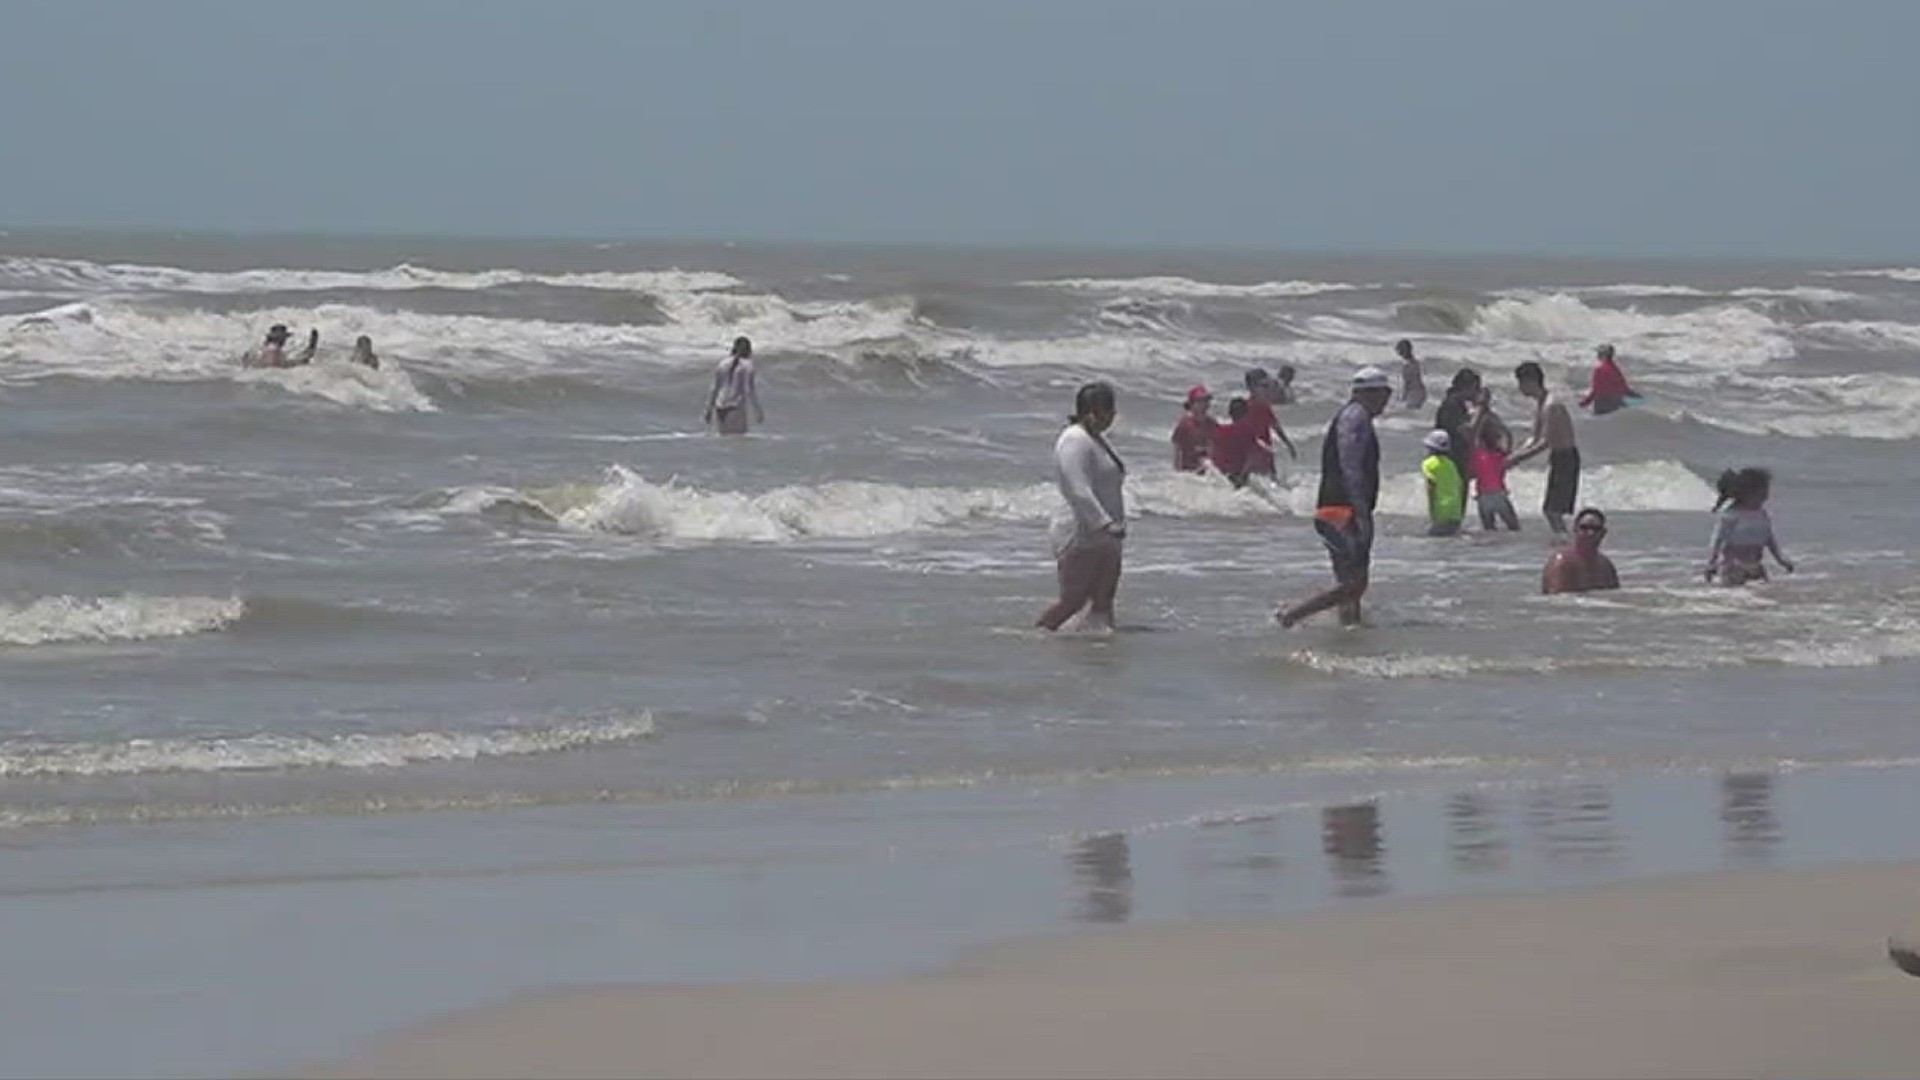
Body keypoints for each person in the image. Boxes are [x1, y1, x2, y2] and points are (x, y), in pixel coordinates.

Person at [1279, 367, 1392, 628]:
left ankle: (1350, 628)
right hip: (1341, 509)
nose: (1387, 401)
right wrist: (1360, 510)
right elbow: (1349, 463)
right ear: (1372, 393)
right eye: (1385, 394)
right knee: (1353, 583)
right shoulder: (1356, 417)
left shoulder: (1354, 416)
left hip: (1339, 507)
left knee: (1352, 580)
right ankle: (1291, 615)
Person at [1037, 382, 1127, 632]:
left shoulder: (1095, 439)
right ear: (1091, 412)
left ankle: (1100, 645)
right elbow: (1079, 489)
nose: (1112, 417)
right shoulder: (1074, 440)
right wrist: (1104, 523)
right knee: (1073, 600)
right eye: (1108, 411)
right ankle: (1038, 637)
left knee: (1103, 599)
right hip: (1080, 531)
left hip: (1107, 533)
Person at [1508, 361, 1579, 537]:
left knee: (1552, 511)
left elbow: (1545, 442)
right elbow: (1534, 438)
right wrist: (1514, 454)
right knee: (1552, 511)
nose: (1519, 388)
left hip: (1566, 458)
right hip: (1557, 458)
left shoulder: (1551, 405)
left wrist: (1517, 459)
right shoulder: (1541, 403)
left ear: (1530, 381)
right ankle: (1565, 540)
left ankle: (1567, 542)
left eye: (1520, 383)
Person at [1705, 467, 1794, 585]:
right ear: (1745, 493)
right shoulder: (1731, 515)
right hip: (1733, 566)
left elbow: (1769, 538)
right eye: (1762, 493)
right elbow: (1718, 540)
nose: (1766, 497)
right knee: (1734, 597)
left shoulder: (1762, 514)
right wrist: (1712, 563)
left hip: (1755, 565)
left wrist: (1781, 559)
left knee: (1761, 596)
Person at [1432, 368, 1479, 511]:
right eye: (1475, 388)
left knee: (1452, 504)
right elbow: (1468, 432)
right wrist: (1481, 408)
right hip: (1452, 460)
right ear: (1467, 387)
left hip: (1450, 459)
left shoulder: (1455, 404)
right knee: (1454, 505)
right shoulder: (1452, 405)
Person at [1542, 508, 1620, 594]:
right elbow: (1558, 602)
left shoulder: (1606, 565)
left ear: (1603, 533)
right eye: (1584, 528)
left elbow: (1615, 596)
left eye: (1595, 529)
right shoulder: (1562, 563)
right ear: (1575, 529)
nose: (1590, 532)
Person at [1468, 409, 1521, 531]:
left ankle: (1492, 550)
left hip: (1483, 497)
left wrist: (1480, 415)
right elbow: (1508, 436)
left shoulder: (1477, 454)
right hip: (1499, 495)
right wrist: (1500, 425)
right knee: (1514, 527)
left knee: (1489, 530)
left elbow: (1473, 436)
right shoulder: (1502, 456)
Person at [1242, 367, 1299, 478]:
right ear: (1251, 388)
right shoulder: (1245, 408)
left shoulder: (1265, 407)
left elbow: (1275, 426)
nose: (1268, 390)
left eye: (1268, 386)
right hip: (1250, 454)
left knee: (1272, 480)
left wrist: (1289, 444)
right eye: (1264, 386)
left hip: (1266, 453)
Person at [704, 336, 764, 435]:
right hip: (735, 407)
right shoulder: (748, 365)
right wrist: (757, 411)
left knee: (724, 440)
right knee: (738, 441)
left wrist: (708, 410)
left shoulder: (723, 363)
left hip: (720, 407)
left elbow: (715, 388)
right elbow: (749, 390)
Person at [1421, 430, 1465, 537]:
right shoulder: (1451, 464)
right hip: (1455, 513)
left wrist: (1432, 513)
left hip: (1441, 513)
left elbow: (1430, 487)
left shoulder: (1428, 464)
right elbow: (1460, 486)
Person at [1210, 397, 1256, 488]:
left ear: (1230, 413)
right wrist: (1243, 477)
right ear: (1246, 414)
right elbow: (1251, 458)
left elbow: (1214, 454)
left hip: (1221, 476)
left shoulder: (1220, 431)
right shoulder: (1248, 432)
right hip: (1239, 475)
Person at [1580, 344, 1638, 416]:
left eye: (1599, 353)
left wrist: (1584, 403)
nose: (1597, 355)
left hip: (1603, 405)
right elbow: (1624, 389)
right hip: (1616, 403)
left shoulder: (1599, 370)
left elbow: (1596, 390)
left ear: (1604, 355)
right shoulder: (1616, 370)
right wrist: (1637, 396)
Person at [1170, 386, 1217, 473]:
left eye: (1206, 401)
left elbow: (1214, 447)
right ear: (1192, 404)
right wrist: (1177, 473)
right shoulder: (1184, 424)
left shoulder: (1212, 423)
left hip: (1207, 469)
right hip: (1189, 472)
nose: (1204, 404)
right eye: (1200, 401)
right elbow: (1177, 449)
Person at [242, 324, 318, 369]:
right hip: (272, 373)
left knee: (303, 359)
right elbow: (273, 366)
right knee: (304, 359)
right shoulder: (274, 348)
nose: (285, 340)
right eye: (284, 337)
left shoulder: (263, 348)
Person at [1396, 339, 1428, 410]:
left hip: (1414, 393)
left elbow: (1407, 382)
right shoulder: (1417, 363)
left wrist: (1403, 396)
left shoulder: (1408, 366)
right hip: (1420, 391)